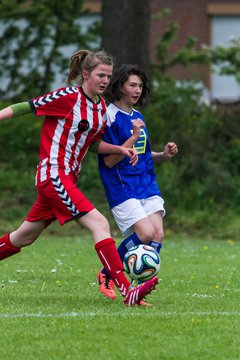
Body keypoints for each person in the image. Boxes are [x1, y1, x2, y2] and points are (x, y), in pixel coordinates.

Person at [0, 50, 158, 306]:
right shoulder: (66, 96)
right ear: (86, 74)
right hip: (53, 174)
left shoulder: (98, 109)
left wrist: (120, 149)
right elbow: (25, 107)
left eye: (108, 76)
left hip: (67, 179)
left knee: (24, 236)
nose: (105, 80)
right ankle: (127, 291)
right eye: (100, 75)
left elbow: (94, 145)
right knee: (99, 224)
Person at [97, 64, 178, 304]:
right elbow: (110, 161)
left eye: (140, 86)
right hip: (122, 186)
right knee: (144, 233)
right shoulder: (109, 117)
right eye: (132, 85)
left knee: (158, 234)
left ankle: (139, 289)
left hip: (146, 182)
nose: (137, 90)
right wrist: (132, 136)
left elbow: (140, 153)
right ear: (120, 86)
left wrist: (163, 155)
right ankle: (107, 272)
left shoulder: (138, 116)